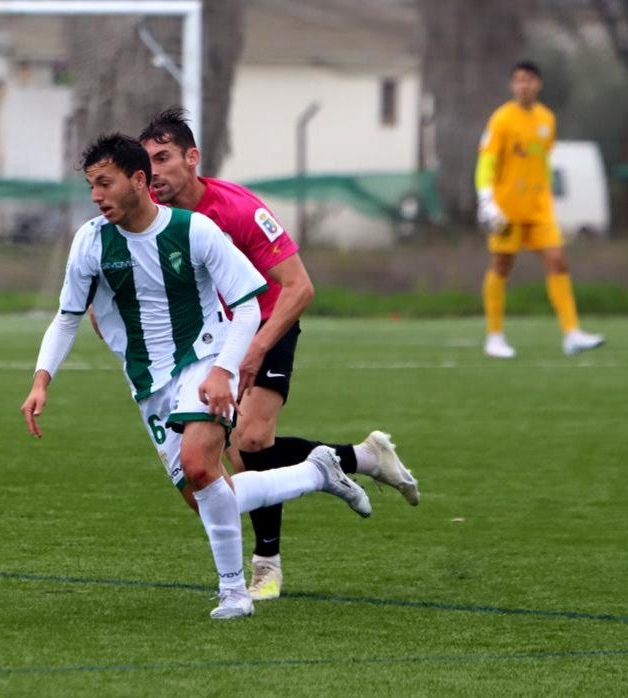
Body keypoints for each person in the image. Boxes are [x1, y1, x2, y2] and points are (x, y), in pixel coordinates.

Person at [20, 133, 372, 620]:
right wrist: (42, 380)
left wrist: (224, 371)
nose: (96, 196)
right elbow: (67, 318)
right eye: (91, 187)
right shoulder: (90, 242)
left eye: (105, 183)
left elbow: (248, 306)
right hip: (148, 383)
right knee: (207, 495)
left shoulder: (195, 231)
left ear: (137, 181)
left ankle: (234, 594)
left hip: (203, 359)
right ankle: (316, 471)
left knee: (202, 467)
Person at [137, 108, 419, 602]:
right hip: (210, 341)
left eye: (163, 158)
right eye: (147, 162)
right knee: (233, 469)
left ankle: (265, 566)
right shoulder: (152, 219)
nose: (154, 172)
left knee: (249, 437)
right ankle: (360, 458)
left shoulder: (239, 211)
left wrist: (256, 349)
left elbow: (299, 286)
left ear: (192, 158)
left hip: (267, 322)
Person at [476, 60, 605, 359]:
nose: (524, 85)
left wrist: (545, 194)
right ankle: (494, 337)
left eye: (530, 80)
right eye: (519, 80)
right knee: (502, 265)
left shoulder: (547, 119)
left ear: (539, 84)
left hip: (539, 208)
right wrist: (487, 200)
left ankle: (572, 334)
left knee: (558, 261)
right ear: (512, 85)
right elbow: (486, 162)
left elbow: (542, 162)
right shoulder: (501, 120)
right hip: (506, 208)